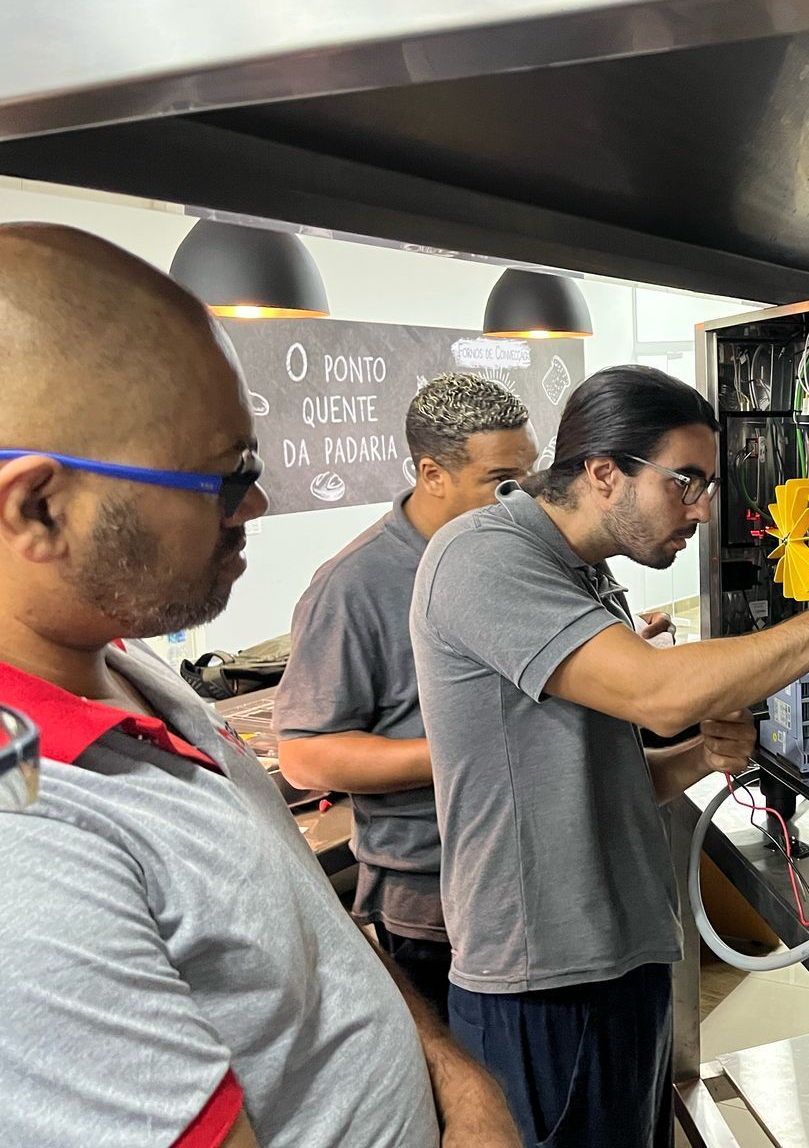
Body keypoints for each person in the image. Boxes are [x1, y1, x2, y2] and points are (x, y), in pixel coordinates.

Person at [0, 224, 517, 1148]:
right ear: (39, 508)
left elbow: (310, 937)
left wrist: (450, 1075)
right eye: (223, 476)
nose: (256, 506)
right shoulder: (26, 840)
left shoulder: (130, 675)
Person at [410, 364, 809, 1148]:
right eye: (684, 483)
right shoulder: (481, 557)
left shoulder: (586, 575)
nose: (702, 509)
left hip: (619, 958)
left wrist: (698, 758)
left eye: (709, 485)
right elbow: (658, 693)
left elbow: (602, 776)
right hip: (545, 980)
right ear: (602, 473)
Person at [273, 373, 538, 1018]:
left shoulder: (518, 556)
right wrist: (465, 752)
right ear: (432, 473)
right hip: (434, 908)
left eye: (530, 477)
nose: (523, 499)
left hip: (531, 881)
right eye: (501, 482)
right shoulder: (354, 585)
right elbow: (306, 757)